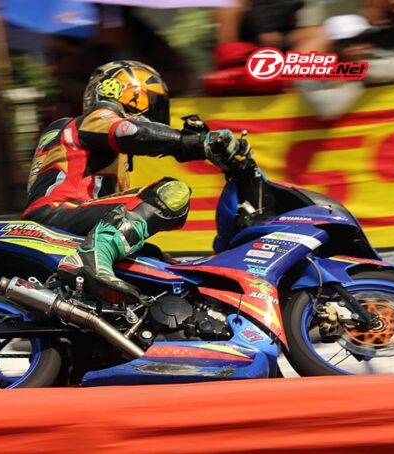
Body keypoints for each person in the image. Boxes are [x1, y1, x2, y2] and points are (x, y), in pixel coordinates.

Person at [22, 60, 247, 301]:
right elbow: (128, 132)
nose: (157, 113)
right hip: (59, 212)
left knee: (156, 261)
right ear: (130, 93)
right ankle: (89, 258)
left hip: (63, 217)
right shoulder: (95, 119)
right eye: (155, 102)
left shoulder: (97, 149)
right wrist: (193, 143)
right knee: (170, 192)